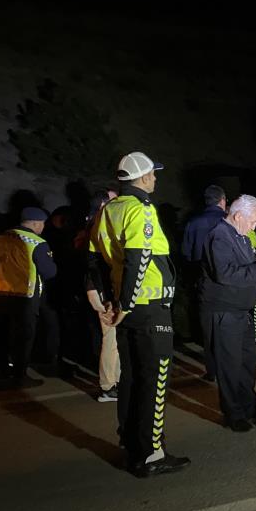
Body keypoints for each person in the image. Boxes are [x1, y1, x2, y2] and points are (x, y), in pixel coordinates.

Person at [89, 151, 189, 477]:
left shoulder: (109, 210)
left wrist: (111, 301)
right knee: (155, 380)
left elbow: (94, 261)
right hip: (148, 309)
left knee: (130, 379)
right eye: (153, 174)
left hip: (127, 309)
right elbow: (138, 258)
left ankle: (132, 446)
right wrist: (128, 303)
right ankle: (151, 453)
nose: (156, 179)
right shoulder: (140, 209)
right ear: (143, 178)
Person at [200, 195, 256, 432]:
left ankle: (250, 406)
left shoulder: (240, 237)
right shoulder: (220, 236)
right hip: (225, 311)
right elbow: (225, 274)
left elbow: (244, 269)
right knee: (229, 365)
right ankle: (233, 413)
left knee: (246, 364)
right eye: (253, 221)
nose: (254, 227)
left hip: (239, 311)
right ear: (238, 216)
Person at [0, 207, 56, 388]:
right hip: (23, 297)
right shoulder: (37, 242)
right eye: (42, 224)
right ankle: (19, 375)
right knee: (22, 338)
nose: (43, 228)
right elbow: (48, 272)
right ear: (35, 223)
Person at [181, 184, 227, 381]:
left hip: (202, 280)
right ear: (222, 201)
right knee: (227, 325)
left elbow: (186, 253)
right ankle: (229, 367)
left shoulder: (193, 223)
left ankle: (212, 370)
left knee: (207, 328)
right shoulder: (228, 221)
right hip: (226, 280)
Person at [84, 189, 120, 402]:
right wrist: (101, 294)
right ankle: (108, 386)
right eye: (114, 201)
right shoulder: (98, 227)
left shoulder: (94, 225)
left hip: (103, 289)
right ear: (103, 205)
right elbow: (93, 265)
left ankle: (114, 382)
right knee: (111, 338)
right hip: (104, 290)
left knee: (113, 338)